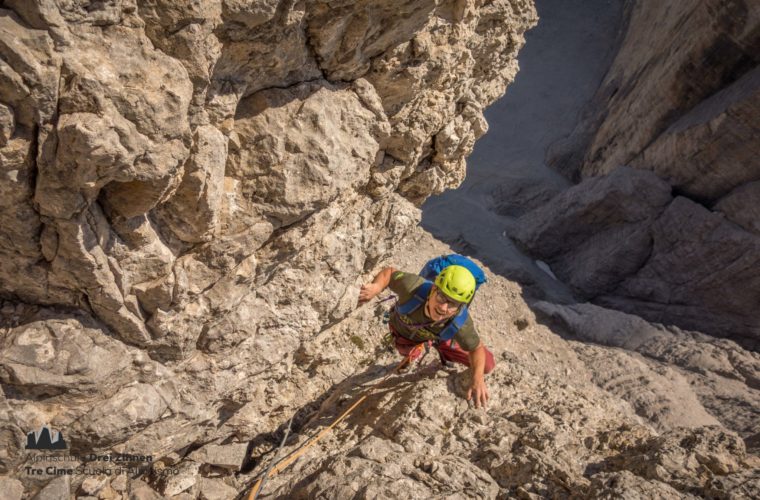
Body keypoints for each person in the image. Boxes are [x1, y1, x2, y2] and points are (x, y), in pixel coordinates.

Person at [359, 265, 495, 408]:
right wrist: (376, 287)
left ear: (460, 307)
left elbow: (477, 348)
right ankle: (411, 356)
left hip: (441, 335)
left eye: (453, 303)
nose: (443, 307)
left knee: (487, 365)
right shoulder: (412, 288)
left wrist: (477, 377)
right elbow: (389, 273)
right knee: (406, 350)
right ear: (433, 289)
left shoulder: (460, 323)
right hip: (406, 334)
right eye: (442, 296)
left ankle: (438, 352)